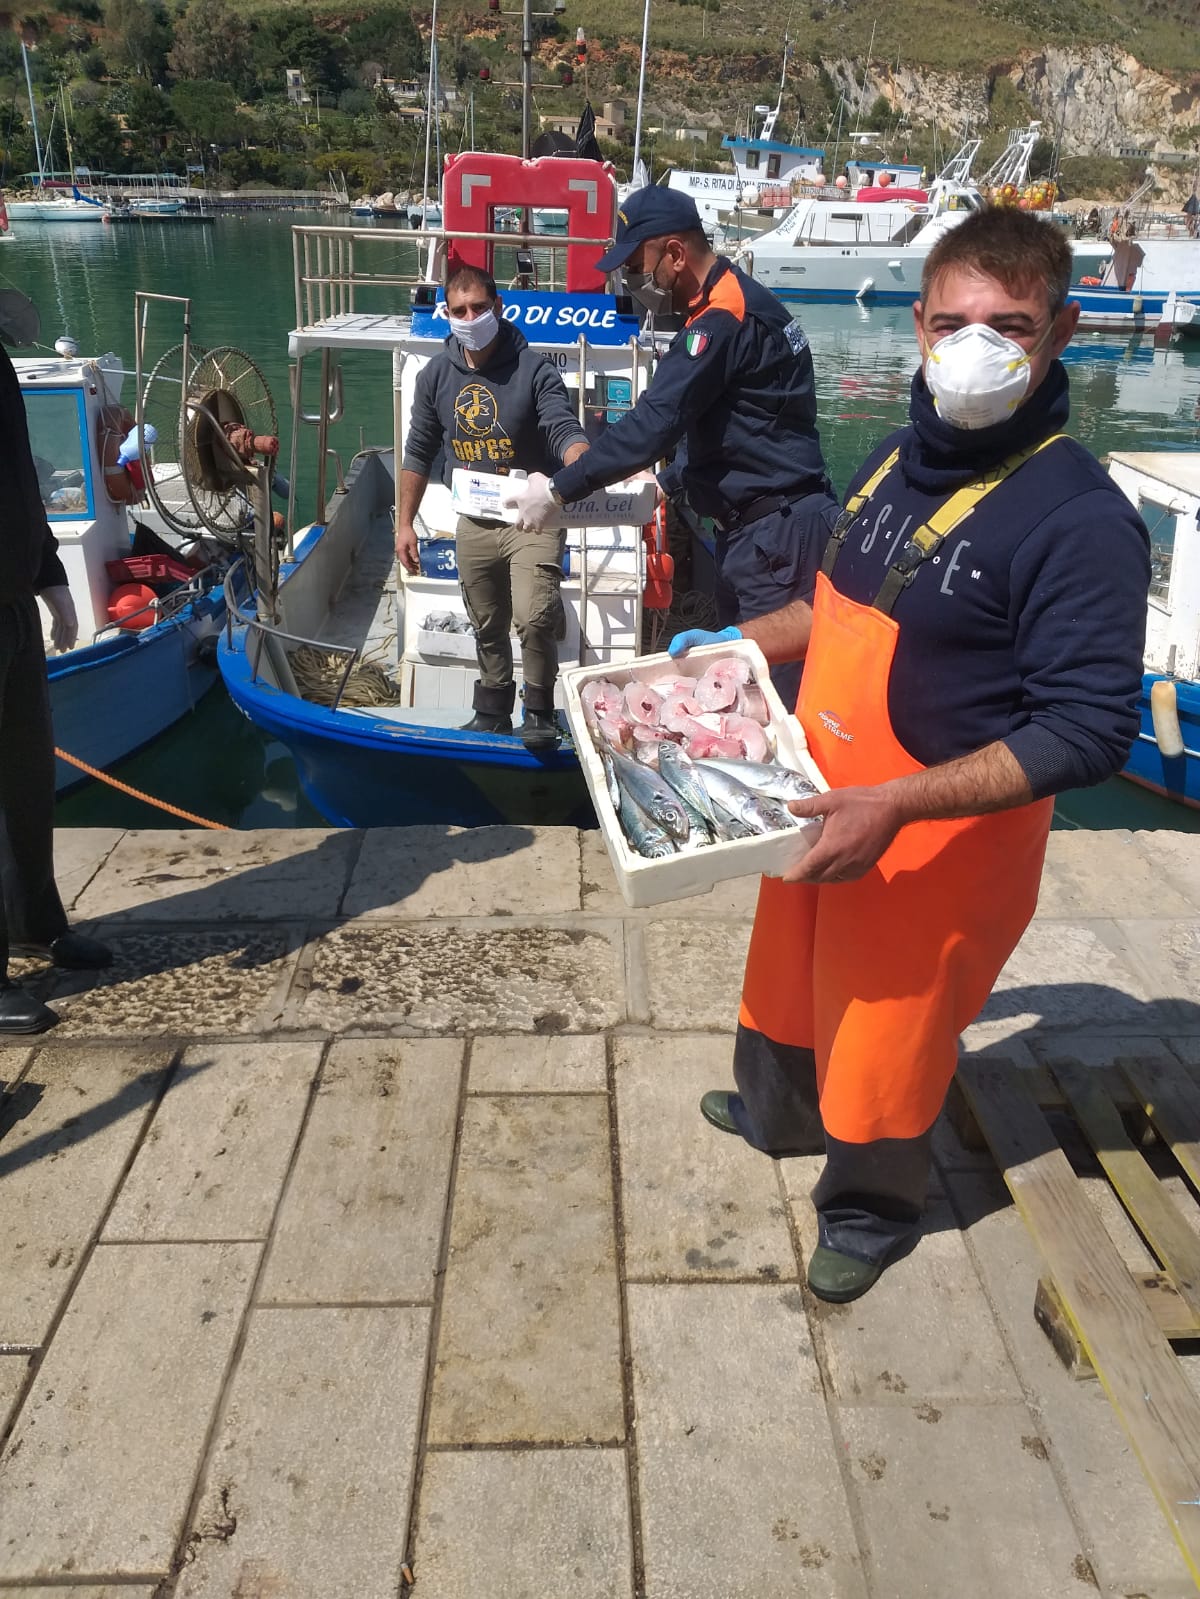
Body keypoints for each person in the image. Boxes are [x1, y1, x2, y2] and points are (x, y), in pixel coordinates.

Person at [672, 207, 1151, 1303]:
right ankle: (778, 1113)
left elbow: (1089, 729)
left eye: (1010, 325)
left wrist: (895, 804)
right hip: (817, 794)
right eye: (950, 322)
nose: (975, 347)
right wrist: (741, 641)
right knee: (788, 978)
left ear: (1062, 329)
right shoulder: (894, 456)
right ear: (919, 324)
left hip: (936, 843)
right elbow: (835, 604)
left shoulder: (1081, 521)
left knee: (890, 1033)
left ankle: (871, 1207)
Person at [502, 186, 840, 709]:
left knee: (776, 701)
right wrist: (668, 479)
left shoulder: (722, 319)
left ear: (676, 254)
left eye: (637, 267)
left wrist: (558, 490)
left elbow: (652, 423)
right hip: (756, 532)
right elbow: (737, 422)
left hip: (776, 538)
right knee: (741, 691)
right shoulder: (735, 300)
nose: (634, 282)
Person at [395, 265, 590, 748]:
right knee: (485, 620)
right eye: (459, 311)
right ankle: (493, 710)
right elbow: (418, 451)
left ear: (498, 308)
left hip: (532, 518)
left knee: (534, 616)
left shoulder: (535, 370)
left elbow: (561, 427)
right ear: (447, 314)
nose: (470, 318)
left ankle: (539, 710)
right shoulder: (435, 376)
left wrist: (584, 461)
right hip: (474, 519)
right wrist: (404, 524)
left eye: (479, 308)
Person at [0, 293, 112, 1036]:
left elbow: (17, 475)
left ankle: (34, 920)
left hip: (10, 598)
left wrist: (48, 572)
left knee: (26, 773)